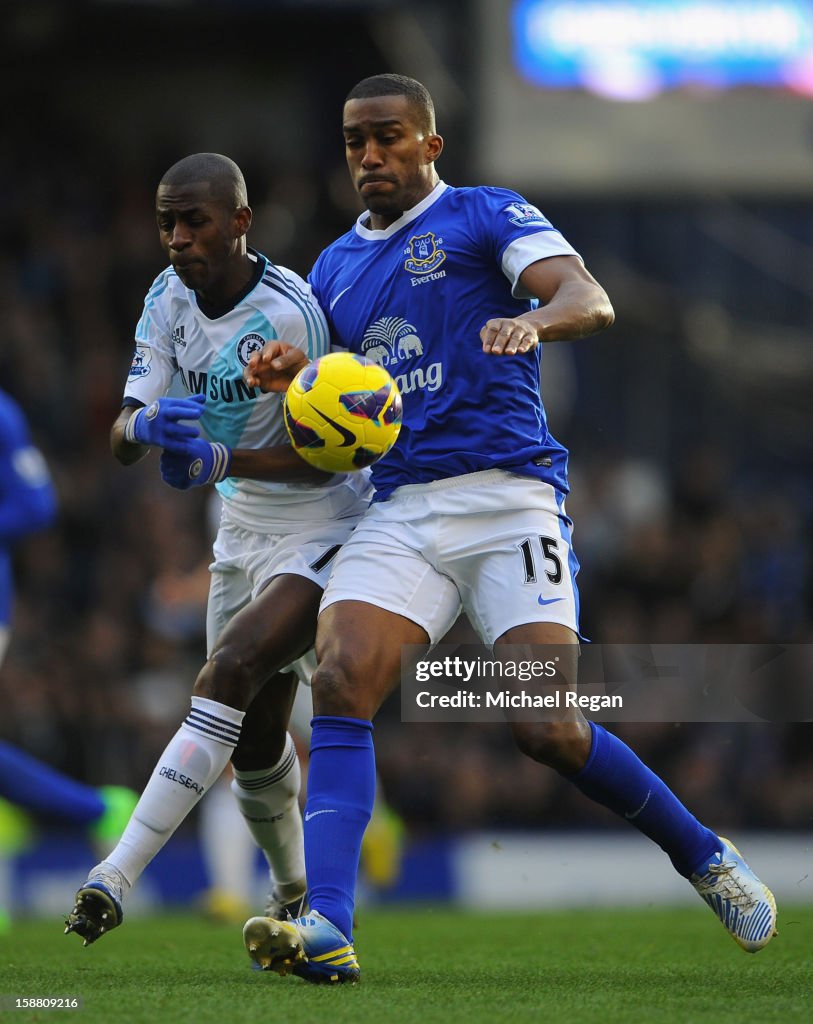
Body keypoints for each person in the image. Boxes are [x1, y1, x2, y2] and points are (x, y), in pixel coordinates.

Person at [241, 74, 777, 983]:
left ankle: (703, 856)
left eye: (389, 138)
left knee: (545, 726)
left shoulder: (485, 215)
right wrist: (298, 374)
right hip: (401, 505)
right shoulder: (331, 268)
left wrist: (535, 322)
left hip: (507, 497)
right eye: (355, 142)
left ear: (429, 145)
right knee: (340, 677)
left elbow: (587, 295)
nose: (370, 156)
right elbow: (345, 393)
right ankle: (329, 924)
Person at [64, 153, 372, 946]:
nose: (176, 237)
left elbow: (340, 450)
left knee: (226, 673)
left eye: (194, 220)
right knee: (259, 734)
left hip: (321, 521)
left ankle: (113, 875)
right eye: (167, 222)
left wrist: (221, 459)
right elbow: (124, 428)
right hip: (237, 530)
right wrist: (144, 427)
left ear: (239, 222)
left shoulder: (294, 313)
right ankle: (296, 895)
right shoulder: (166, 300)